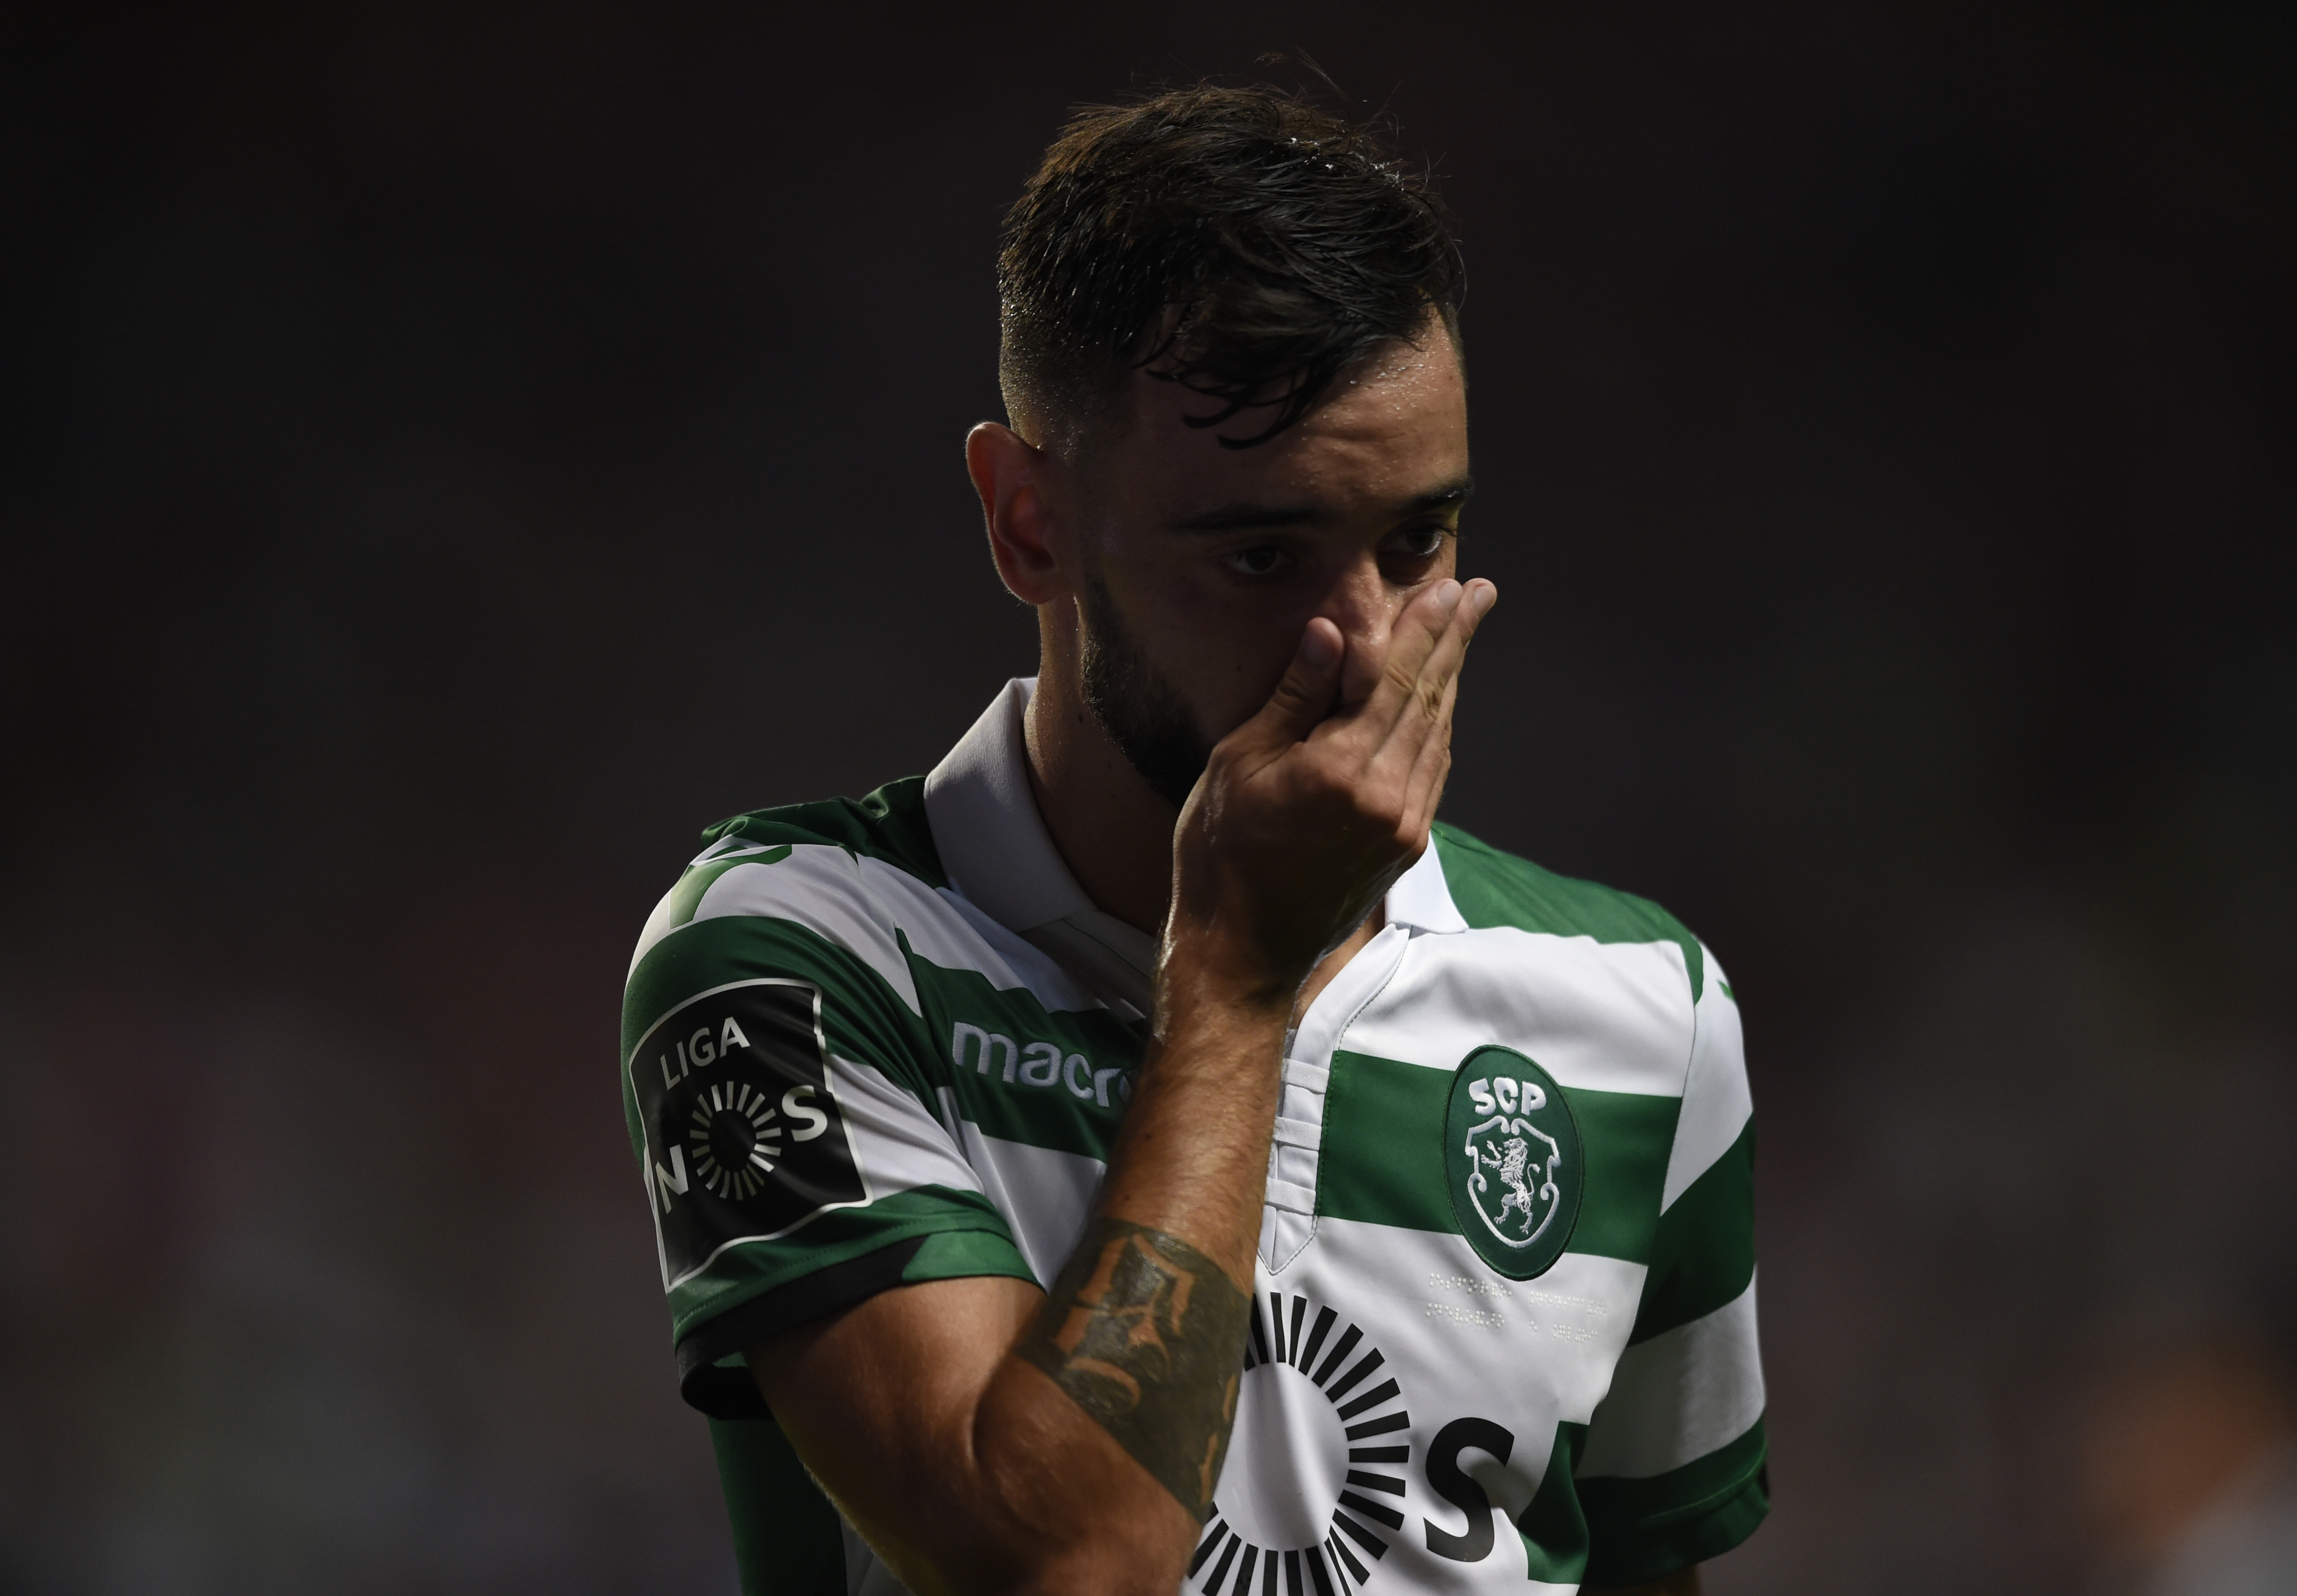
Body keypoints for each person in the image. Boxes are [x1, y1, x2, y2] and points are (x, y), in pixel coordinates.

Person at [621, 83, 1766, 1596]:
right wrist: (1229, 979)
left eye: (1416, 540)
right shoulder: (791, 965)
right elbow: (1062, 1572)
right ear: (1029, 524)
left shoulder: (1643, 1013)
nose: (1364, 643)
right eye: (1260, 553)